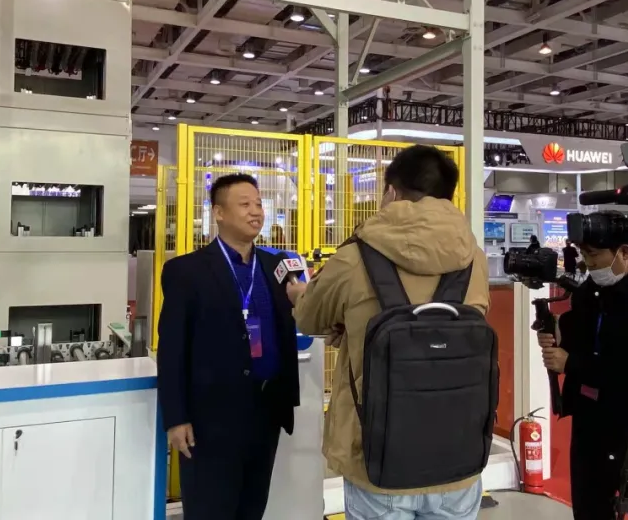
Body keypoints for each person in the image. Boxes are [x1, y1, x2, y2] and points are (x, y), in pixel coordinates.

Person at [286, 145, 490, 520]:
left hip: (377, 456)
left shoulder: (355, 255)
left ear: (392, 192)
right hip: (459, 452)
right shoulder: (474, 257)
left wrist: (302, 296)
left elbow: (309, 319)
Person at [157, 173, 301, 520]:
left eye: (259, 204)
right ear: (219, 213)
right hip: (210, 419)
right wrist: (176, 418)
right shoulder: (186, 271)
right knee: (210, 509)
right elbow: (172, 348)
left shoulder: (277, 267)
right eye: (245, 204)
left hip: (266, 411)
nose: (256, 211)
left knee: (252, 507)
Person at [538, 234, 628, 520]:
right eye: (585, 255)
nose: (590, 264)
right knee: (589, 504)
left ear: (624, 252)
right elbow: (583, 332)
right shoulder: (591, 289)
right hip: (590, 416)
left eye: (595, 255)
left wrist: (572, 363)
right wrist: (559, 335)